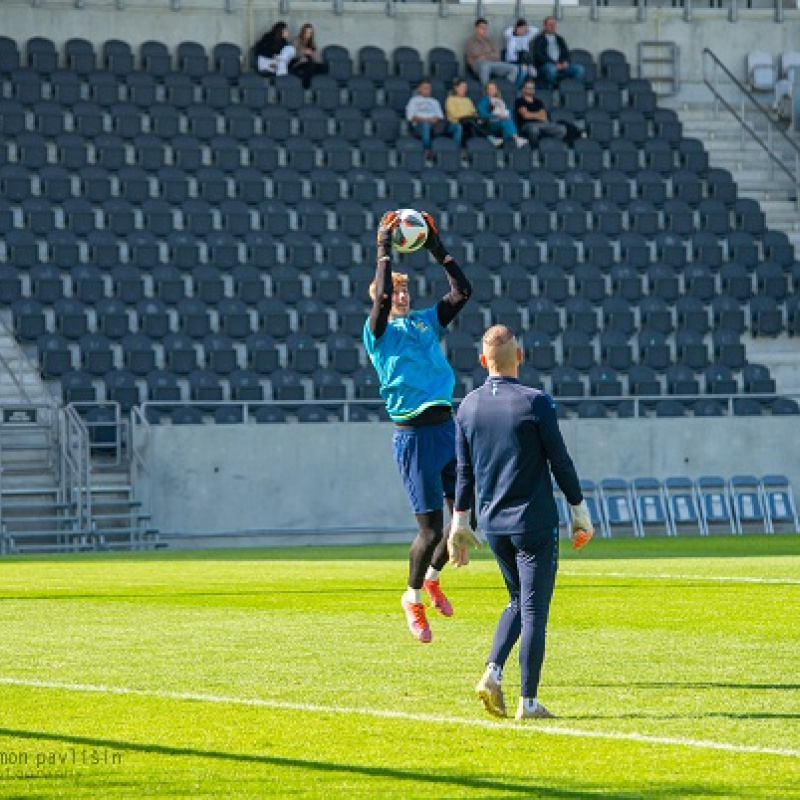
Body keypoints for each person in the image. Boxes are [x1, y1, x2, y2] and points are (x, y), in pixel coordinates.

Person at [448, 324, 594, 719]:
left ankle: (491, 672)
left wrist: (459, 523)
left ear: (483, 361)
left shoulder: (467, 407)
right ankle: (528, 702)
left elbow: (464, 473)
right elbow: (559, 461)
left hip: (494, 527)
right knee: (533, 612)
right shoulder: (535, 402)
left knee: (517, 601)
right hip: (533, 523)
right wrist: (580, 513)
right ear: (521, 357)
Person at [363, 210, 472, 644]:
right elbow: (381, 301)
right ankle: (411, 597)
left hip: (447, 429)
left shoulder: (426, 321)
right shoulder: (378, 332)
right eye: (394, 293)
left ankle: (431, 578)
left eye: (405, 291)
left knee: (464, 515)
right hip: (413, 438)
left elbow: (463, 291)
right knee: (429, 531)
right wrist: (383, 250)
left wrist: (436, 248)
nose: (400, 297)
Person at [405, 79, 462, 158]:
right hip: (420, 125)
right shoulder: (413, 101)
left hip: (436, 125)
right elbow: (411, 117)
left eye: (429, 88)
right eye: (425, 88)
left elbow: (440, 117)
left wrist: (435, 120)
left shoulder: (435, 102)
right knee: (426, 126)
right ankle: (427, 151)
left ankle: (456, 150)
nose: (428, 90)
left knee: (457, 127)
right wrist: (427, 120)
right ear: (419, 89)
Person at [531, 16, 586, 90]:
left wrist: (565, 62)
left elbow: (566, 53)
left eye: (554, 25)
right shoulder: (538, 39)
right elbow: (539, 56)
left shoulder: (559, 39)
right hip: (545, 66)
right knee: (551, 69)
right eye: (550, 24)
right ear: (545, 26)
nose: (552, 27)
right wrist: (554, 64)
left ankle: (570, 89)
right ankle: (554, 88)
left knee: (579, 69)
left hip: (561, 65)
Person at [465, 18, 521, 88]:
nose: (484, 30)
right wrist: (490, 53)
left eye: (485, 28)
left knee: (514, 68)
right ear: (476, 28)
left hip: (493, 62)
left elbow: (497, 55)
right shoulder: (471, 41)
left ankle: (506, 88)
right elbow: (477, 55)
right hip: (478, 64)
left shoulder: (489, 41)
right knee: (486, 66)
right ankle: (486, 90)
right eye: (482, 28)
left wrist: (486, 55)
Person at [514, 77, 567, 146]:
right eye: (529, 88)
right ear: (523, 89)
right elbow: (525, 115)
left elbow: (544, 116)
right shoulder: (520, 101)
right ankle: (535, 147)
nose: (532, 89)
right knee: (534, 130)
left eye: (533, 88)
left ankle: (551, 145)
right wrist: (537, 115)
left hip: (543, 124)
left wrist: (531, 114)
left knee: (562, 129)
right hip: (527, 125)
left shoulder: (538, 102)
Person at [476, 81, 527, 148]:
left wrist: (506, 114)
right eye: (490, 89)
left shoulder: (500, 100)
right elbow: (483, 114)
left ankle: (507, 143)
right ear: (486, 90)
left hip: (501, 121)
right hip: (491, 123)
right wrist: (498, 116)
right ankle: (517, 139)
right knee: (506, 121)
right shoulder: (484, 101)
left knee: (508, 120)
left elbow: (507, 110)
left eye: (494, 88)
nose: (492, 90)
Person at [444, 77, 488, 144]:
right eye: (462, 87)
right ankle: (489, 137)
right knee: (462, 125)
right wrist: (467, 114)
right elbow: (454, 114)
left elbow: (474, 112)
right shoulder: (450, 99)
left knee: (478, 121)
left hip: (468, 121)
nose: (464, 89)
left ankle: (476, 146)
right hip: (455, 122)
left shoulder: (468, 100)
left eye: (465, 87)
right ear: (456, 88)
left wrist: (470, 115)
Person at [290, 23, 328, 89]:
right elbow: (292, 54)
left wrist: (312, 54)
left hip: (310, 62)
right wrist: (303, 52)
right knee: (309, 66)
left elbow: (319, 60)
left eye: (310, 33)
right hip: (299, 62)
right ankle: (306, 86)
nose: (308, 34)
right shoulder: (296, 41)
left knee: (324, 67)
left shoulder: (312, 44)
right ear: (303, 32)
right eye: (307, 32)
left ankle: (316, 83)